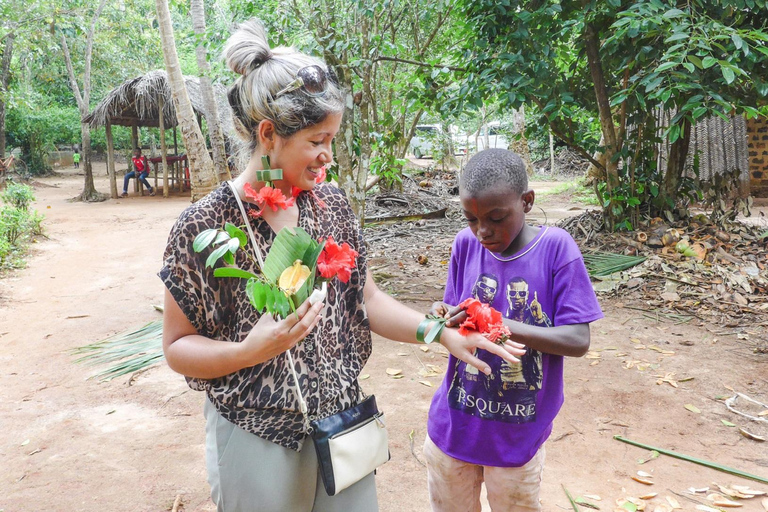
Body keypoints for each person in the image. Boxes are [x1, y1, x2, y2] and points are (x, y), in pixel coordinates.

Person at [158, 19, 523, 512]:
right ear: (269, 134)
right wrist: (248, 351)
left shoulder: (329, 204)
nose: (327, 156)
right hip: (254, 433)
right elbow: (178, 347)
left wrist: (439, 332)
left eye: (332, 139)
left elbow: (367, 299)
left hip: (341, 420)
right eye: (316, 140)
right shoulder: (205, 223)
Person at [424, 149, 603, 512]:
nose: (483, 231)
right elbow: (455, 320)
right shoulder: (465, 244)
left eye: (496, 217)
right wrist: (442, 316)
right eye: (471, 218)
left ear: (527, 202)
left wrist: (501, 324)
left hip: (516, 432)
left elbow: (577, 339)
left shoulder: (555, 250)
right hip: (455, 423)